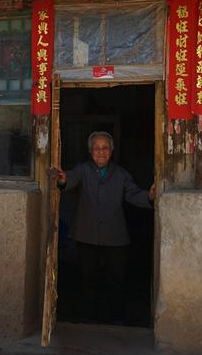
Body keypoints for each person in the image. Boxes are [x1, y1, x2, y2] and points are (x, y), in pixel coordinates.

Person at [54, 131, 156, 325]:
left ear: (112, 150)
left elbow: (134, 194)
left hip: (114, 236)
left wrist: (149, 197)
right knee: (87, 277)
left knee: (116, 278)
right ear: (90, 151)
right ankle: (89, 316)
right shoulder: (83, 169)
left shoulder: (121, 174)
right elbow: (70, 179)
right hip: (86, 233)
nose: (101, 152)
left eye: (105, 148)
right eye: (96, 148)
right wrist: (62, 179)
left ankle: (114, 318)